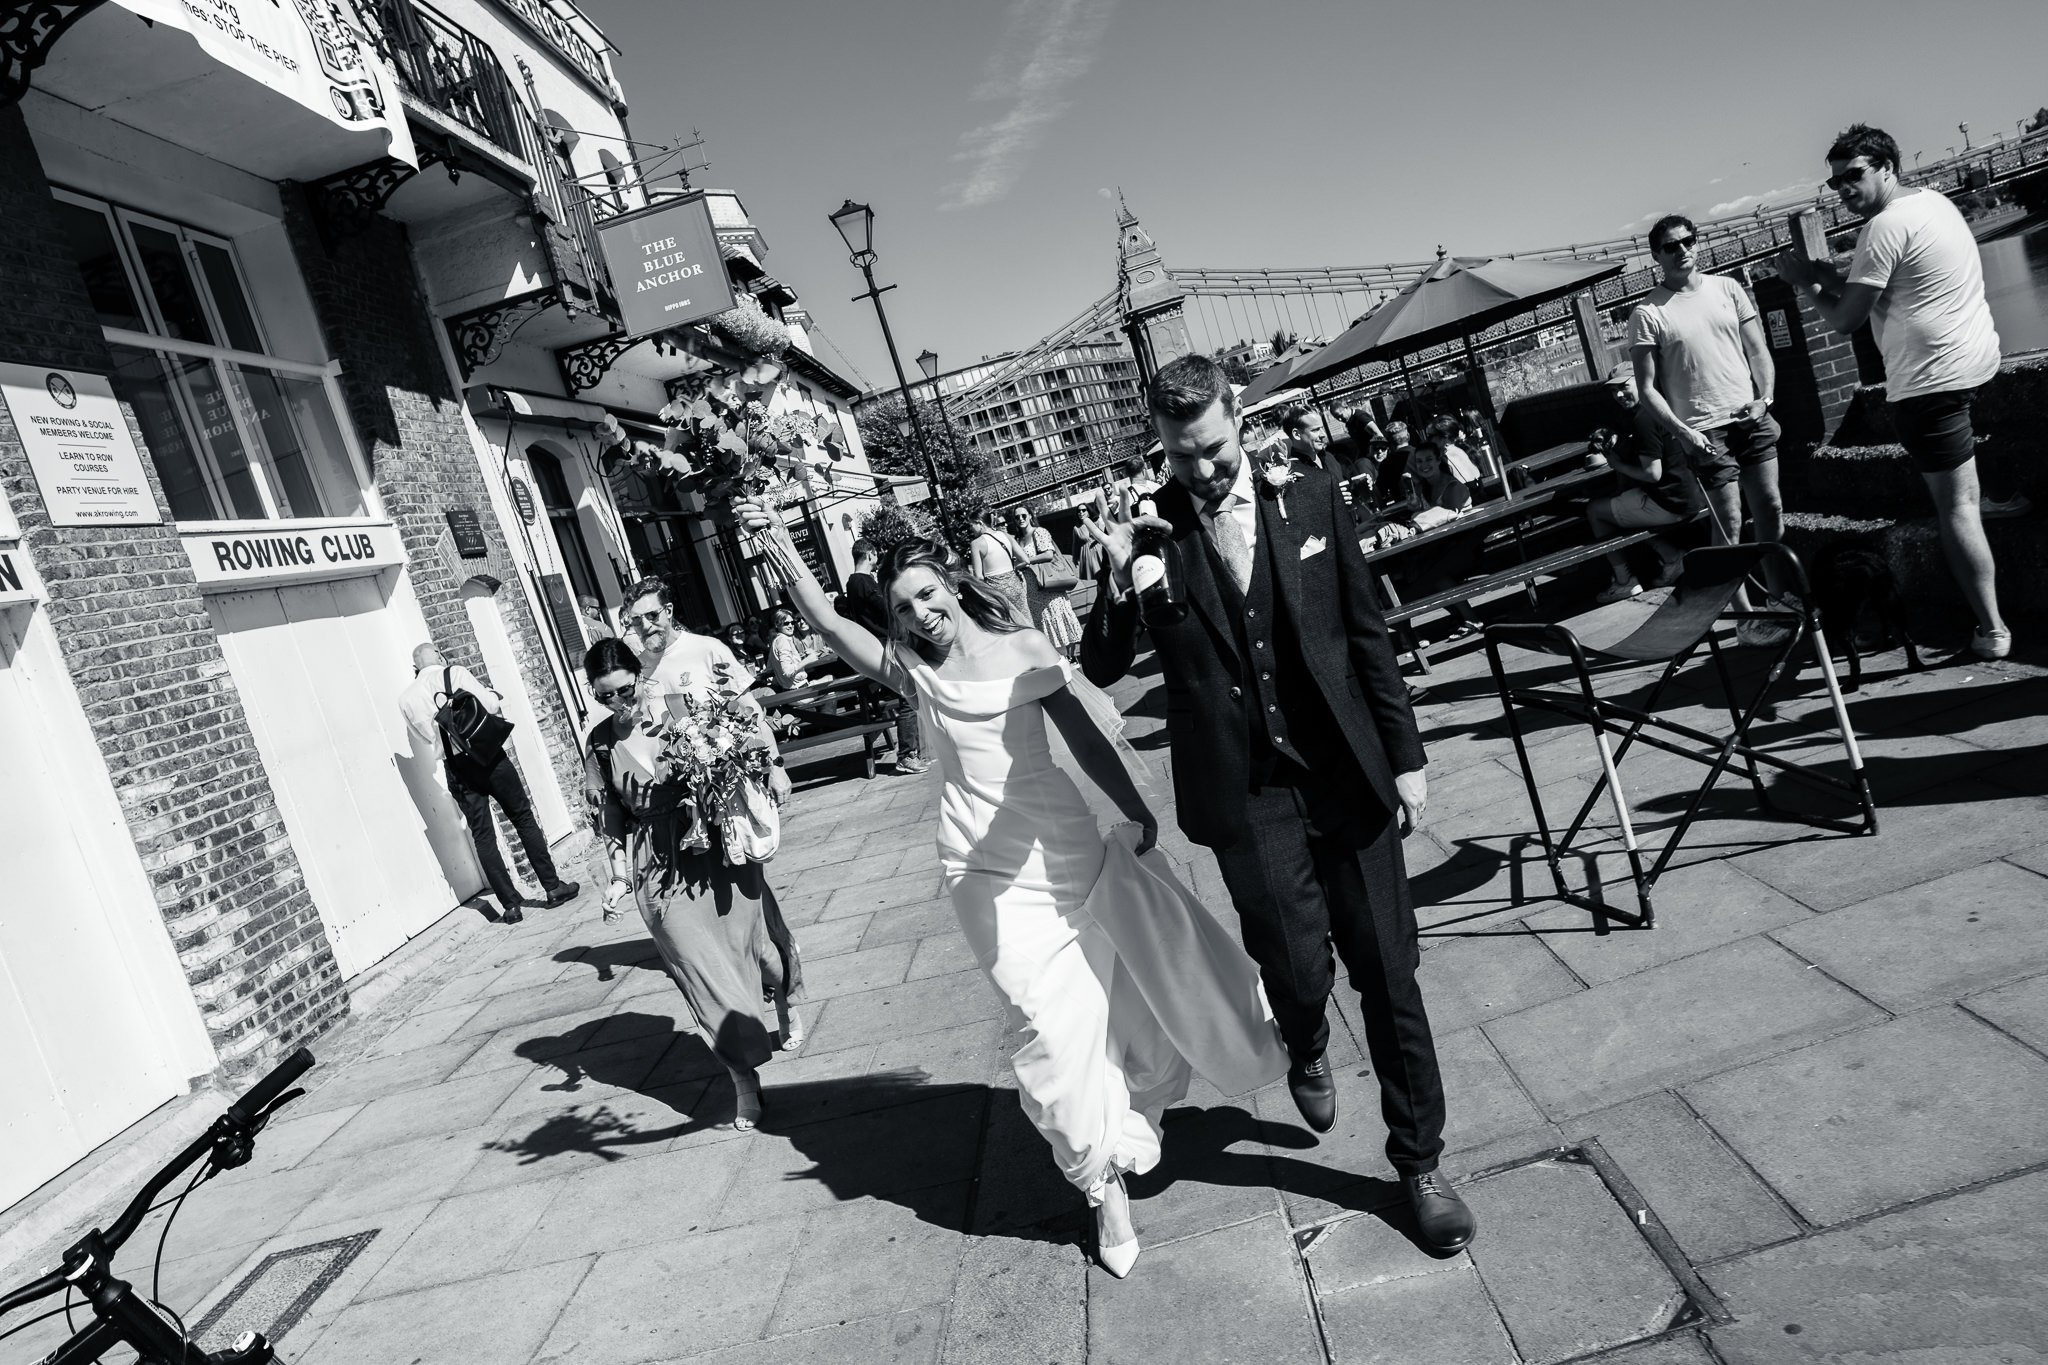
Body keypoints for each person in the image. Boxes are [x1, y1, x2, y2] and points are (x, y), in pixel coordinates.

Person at [735, 503, 1289, 1278]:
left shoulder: (1024, 648)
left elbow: (1089, 737)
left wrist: (1131, 806)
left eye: (929, 595)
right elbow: (828, 623)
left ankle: (1127, 1119)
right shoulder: (917, 673)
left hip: (1063, 853)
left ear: (954, 585)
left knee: (1114, 1002)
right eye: (903, 609)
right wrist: (775, 547)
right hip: (983, 873)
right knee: (1048, 1025)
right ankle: (1103, 1191)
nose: (921, 615)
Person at [1081, 353, 1476, 1256]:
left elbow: (1367, 631)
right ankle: (1303, 1038)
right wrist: (1110, 571)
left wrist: (1406, 757)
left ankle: (1420, 1162)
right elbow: (1103, 666)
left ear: (1237, 418)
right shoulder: (1153, 535)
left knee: (1390, 973)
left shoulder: (1313, 496)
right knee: (1297, 970)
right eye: (1183, 459)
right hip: (1247, 792)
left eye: (1214, 450)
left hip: (1344, 772)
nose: (1203, 471)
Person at [1774, 123, 2019, 660]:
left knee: (1957, 510)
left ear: (1887, 167)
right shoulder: (1933, 203)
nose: (1843, 189)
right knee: (1973, 482)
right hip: (1977, 361)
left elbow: (1843, 320)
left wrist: (1806, 283)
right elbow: (1891, 293)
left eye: (1853, 176)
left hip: (1929, 383)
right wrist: (1829, 278)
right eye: (1835, 182)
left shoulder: (1882, 227)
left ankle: (1992, 630)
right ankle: (1999, 496)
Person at [581, 637, 801, 1132]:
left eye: (623, 689)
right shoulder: (599, 742)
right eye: (605, 696)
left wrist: (771, 766)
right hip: (655, 866)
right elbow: (609, 815)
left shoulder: (683, 710)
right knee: (699, 971)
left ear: (640, 676)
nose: (618, 702)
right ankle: (743, 1080)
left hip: (715, 846)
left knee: (755, 948)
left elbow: (745, 743)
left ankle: (785, 996)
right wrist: (616, 878)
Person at [1629, 213, 1791, 646]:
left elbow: (1758, 350)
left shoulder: (1728, 288)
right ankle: (1745, 620)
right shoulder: (1648, 313)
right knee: (1730, 525)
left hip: (1750, 418)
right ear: (1656, 256)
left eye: (1689, 240)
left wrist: (1766, 397)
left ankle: (1775, 600)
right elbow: (1646, 390)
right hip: (1704, 433)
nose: (1682, 249)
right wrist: (1683, 432)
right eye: (1671, 245)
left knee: (1771, 508)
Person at [399, 645, 578, 924]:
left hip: (457, 768)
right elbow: (491, 706)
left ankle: (510, 906)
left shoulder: (407, 698)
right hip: (490, 758)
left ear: (415, 668)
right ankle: (553, 887)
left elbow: (424, 740)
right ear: (438, 655)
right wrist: (492, 694)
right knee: (523, 818)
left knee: (482, 835)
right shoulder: (454, 673)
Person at [1586, 362, 1693, 603]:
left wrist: (1617, 464)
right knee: (1621, 502)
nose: (1618, 395)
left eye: (1624, 387)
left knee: (1595, 511)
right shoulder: (1660, 404)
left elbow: (1652, 474)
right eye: (1613, 391)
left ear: (1642, 379)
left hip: (1671, 504)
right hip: (1688, 494)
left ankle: (1624, 582)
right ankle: (1671, 558)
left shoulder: (1643, 419)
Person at [838, 538, 930, 775]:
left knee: (908, 693)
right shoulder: (862, 581)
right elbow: (884, 608)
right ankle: (907, 755)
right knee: (908, 694)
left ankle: (914, 752)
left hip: (881, 643)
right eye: (876, 556)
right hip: (886, 643)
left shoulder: (854, 583)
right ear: (870, 554)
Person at [1005, 506, 1085, 661]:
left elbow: (1048, 554)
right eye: (1017, 517)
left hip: (1048, 582)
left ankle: (1071, 656)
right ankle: (1058, 657)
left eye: (1023, 515)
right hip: (1031, 587)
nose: (1021, 519)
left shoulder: (1039, 532)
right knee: (1042, 621)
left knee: (1058, 616)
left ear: (1030, 516)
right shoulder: (1017, 539)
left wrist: (1025, 562)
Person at [969, 515, 1030, 623]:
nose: (970, 529)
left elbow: (978, 577)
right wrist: (1012, 569)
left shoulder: (976, 544)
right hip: (1015, 585)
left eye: (971, 525)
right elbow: (1026, 560)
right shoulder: (1006, 535)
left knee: (1009, 625)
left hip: (996, 591)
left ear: (979, 523)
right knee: (1026, 620)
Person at [765, 606, 836, 690]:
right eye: (786, 623)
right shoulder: (783, 640)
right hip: (799, 689)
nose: (791, 625)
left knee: (829, 678)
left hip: (790, 689)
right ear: (777, 624)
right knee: (832, 680)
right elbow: (788, 671)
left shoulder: (778, 640)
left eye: (792, 622)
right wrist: (809, 659)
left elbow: (769, 668)